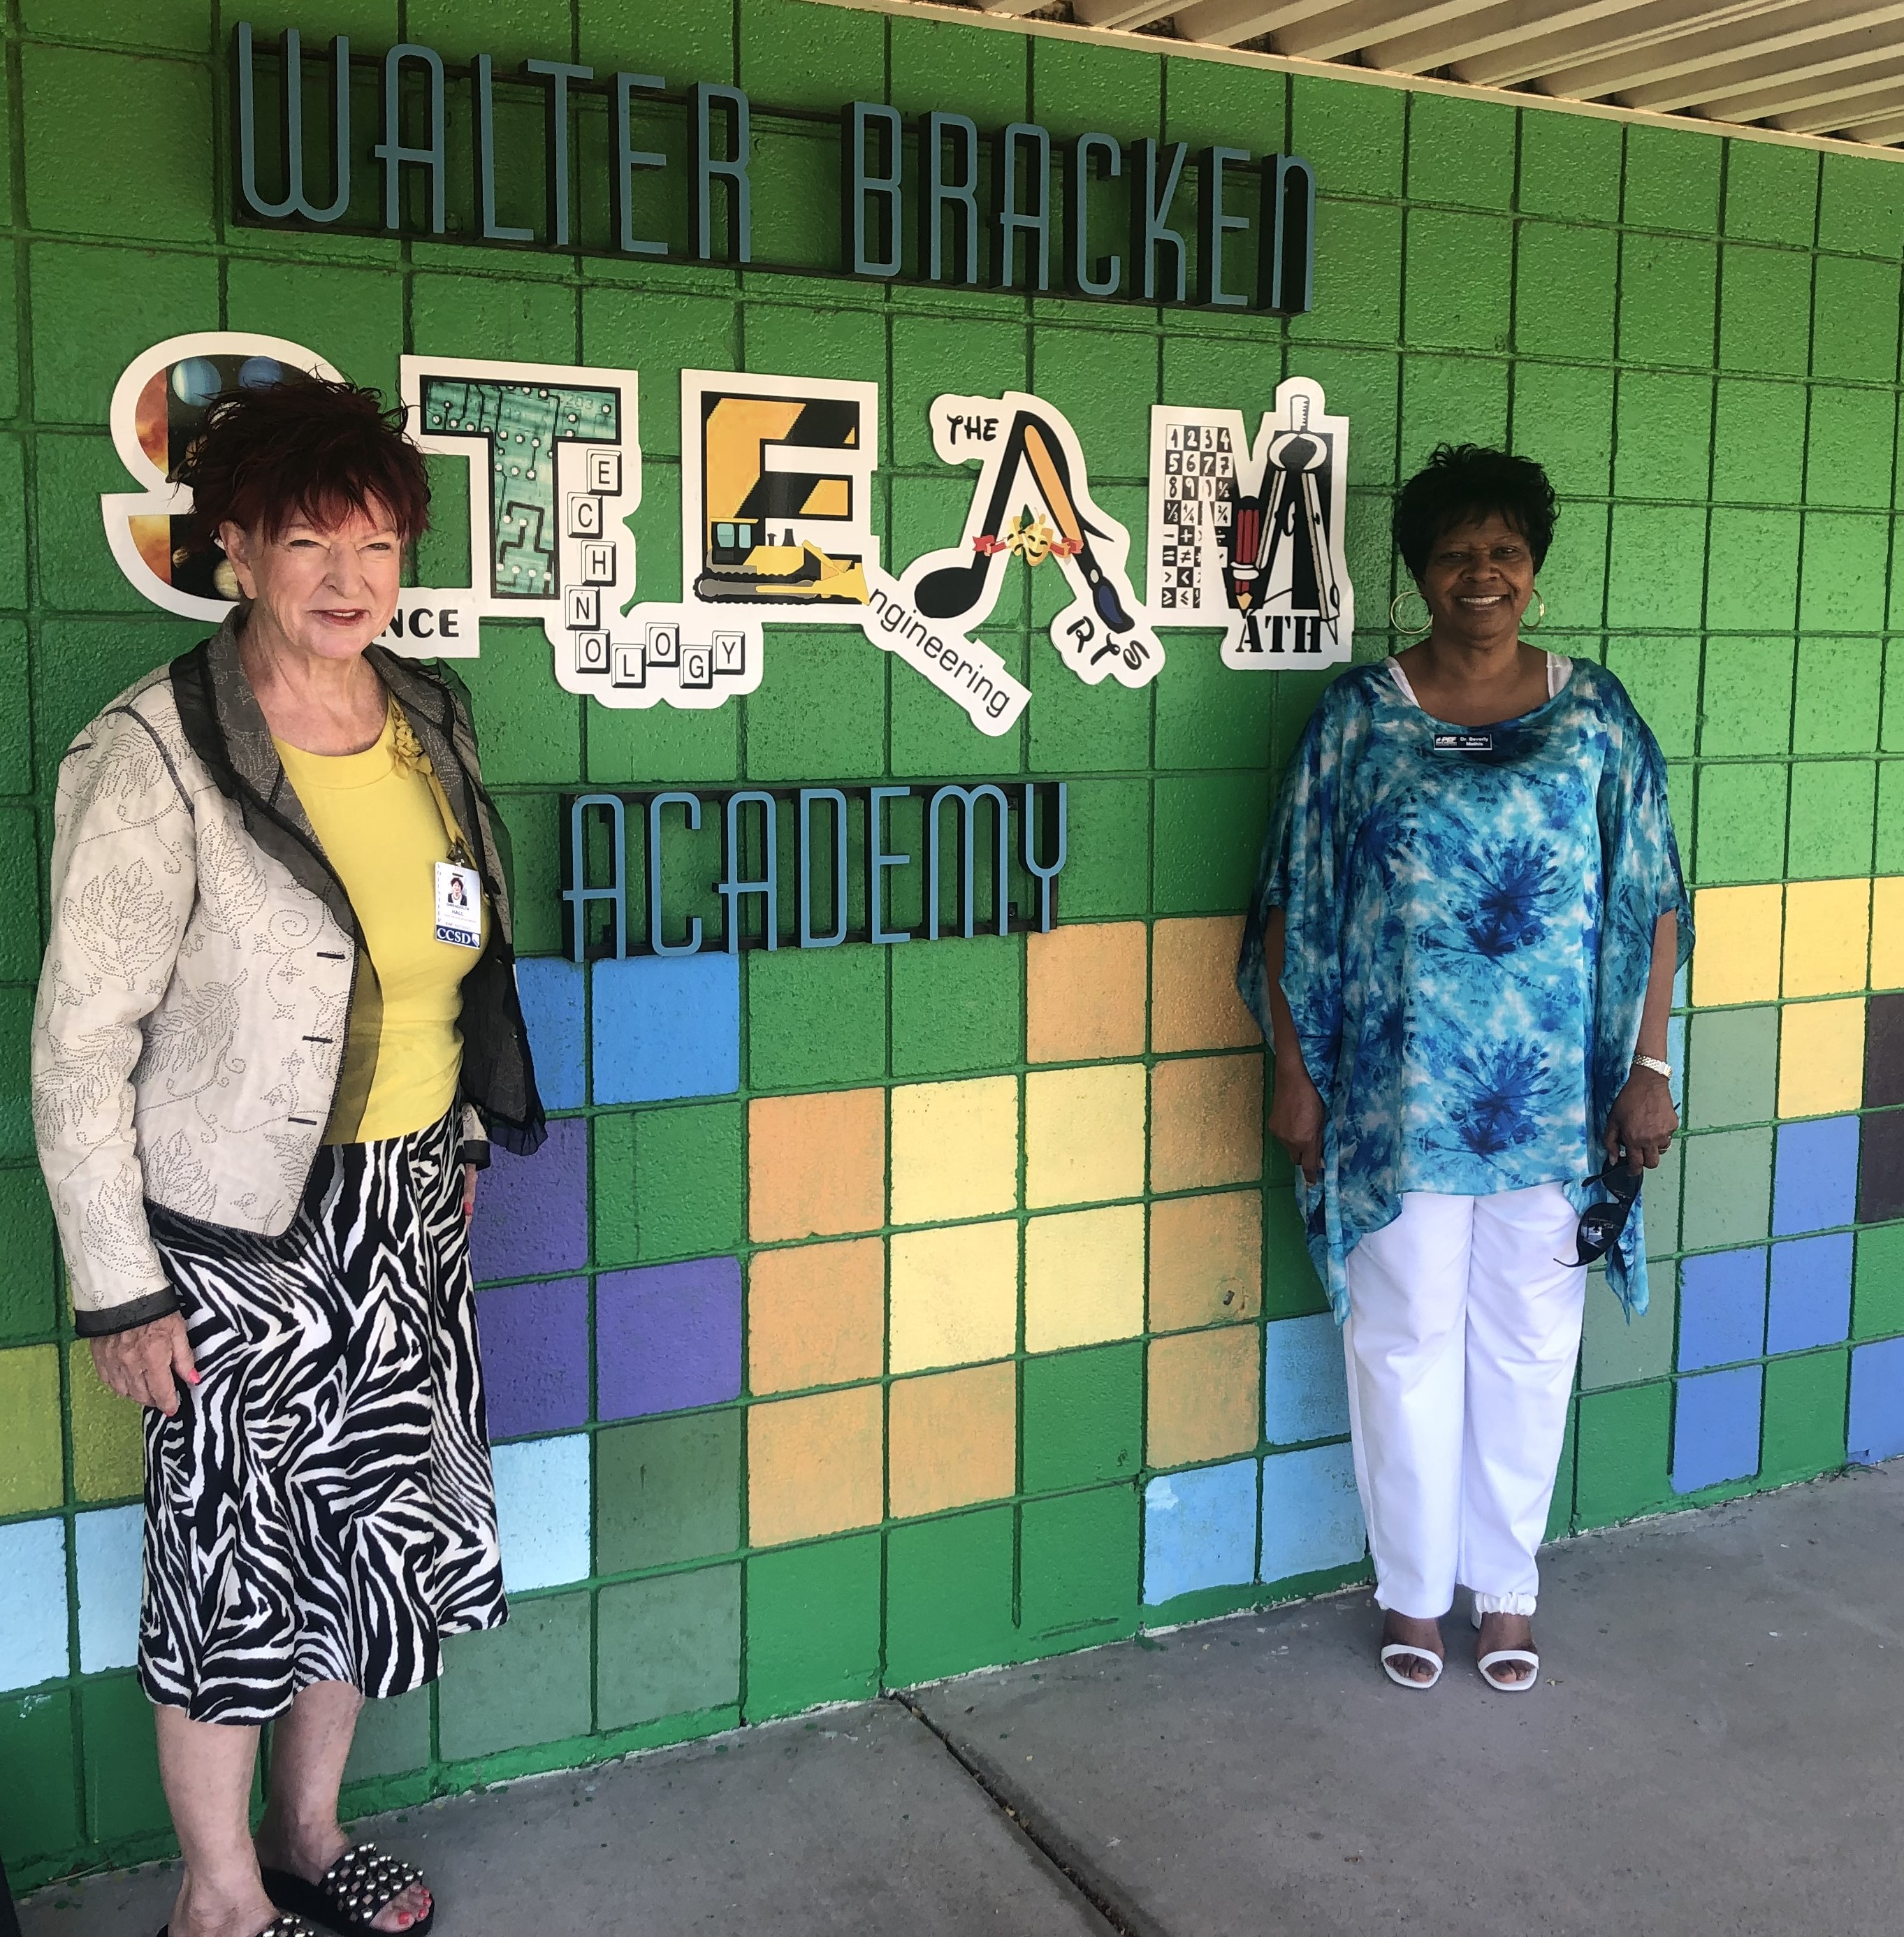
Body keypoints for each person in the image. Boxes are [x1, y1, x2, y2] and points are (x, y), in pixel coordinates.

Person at [33, 376, 546, 1936]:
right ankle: (220, 1894)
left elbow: (442, 957)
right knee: (234, 1572)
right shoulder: (154, 751)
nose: (348, 580)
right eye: (309, 541)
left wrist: (453, 1132)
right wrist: (122, 1290)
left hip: (404, 1213)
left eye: (378, 545)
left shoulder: (428, 717)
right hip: (237, 1240)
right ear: (237, 549)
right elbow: (77, 1044)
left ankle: (313, 1837)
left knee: (373, 1540)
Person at [1238, 444, 1689, 1694]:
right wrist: (1294, 1071)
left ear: (1532, 572)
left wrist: (1648, 1064)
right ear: (1420, 575)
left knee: (1528, 1344)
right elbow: (1293, 902)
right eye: (1453, 553)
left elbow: (1652, 899)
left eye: (1501, 551)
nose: (1478, 573)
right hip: (1392, 1101)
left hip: (1557, 1098)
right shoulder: (1356, 717)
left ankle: (1505, 1590)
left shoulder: (1594, 713)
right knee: (1401, 1337)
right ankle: (1410, 1592)